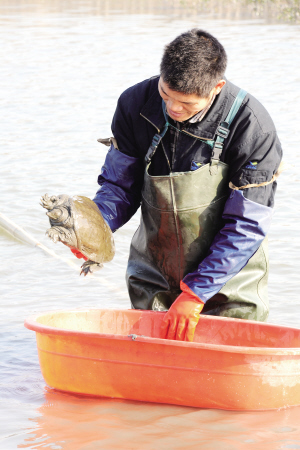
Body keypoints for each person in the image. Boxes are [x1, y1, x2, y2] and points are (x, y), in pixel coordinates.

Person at [91, 29, 282, 342]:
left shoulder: (252, 126)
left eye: (186, 103)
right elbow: (119, 185)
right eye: (166, 95)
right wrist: (95, 229)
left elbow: (246, 225)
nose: (172, 109)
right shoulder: (134, 103)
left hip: (229, 284)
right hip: (153, 276)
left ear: (216, 88)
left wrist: (196, 293)